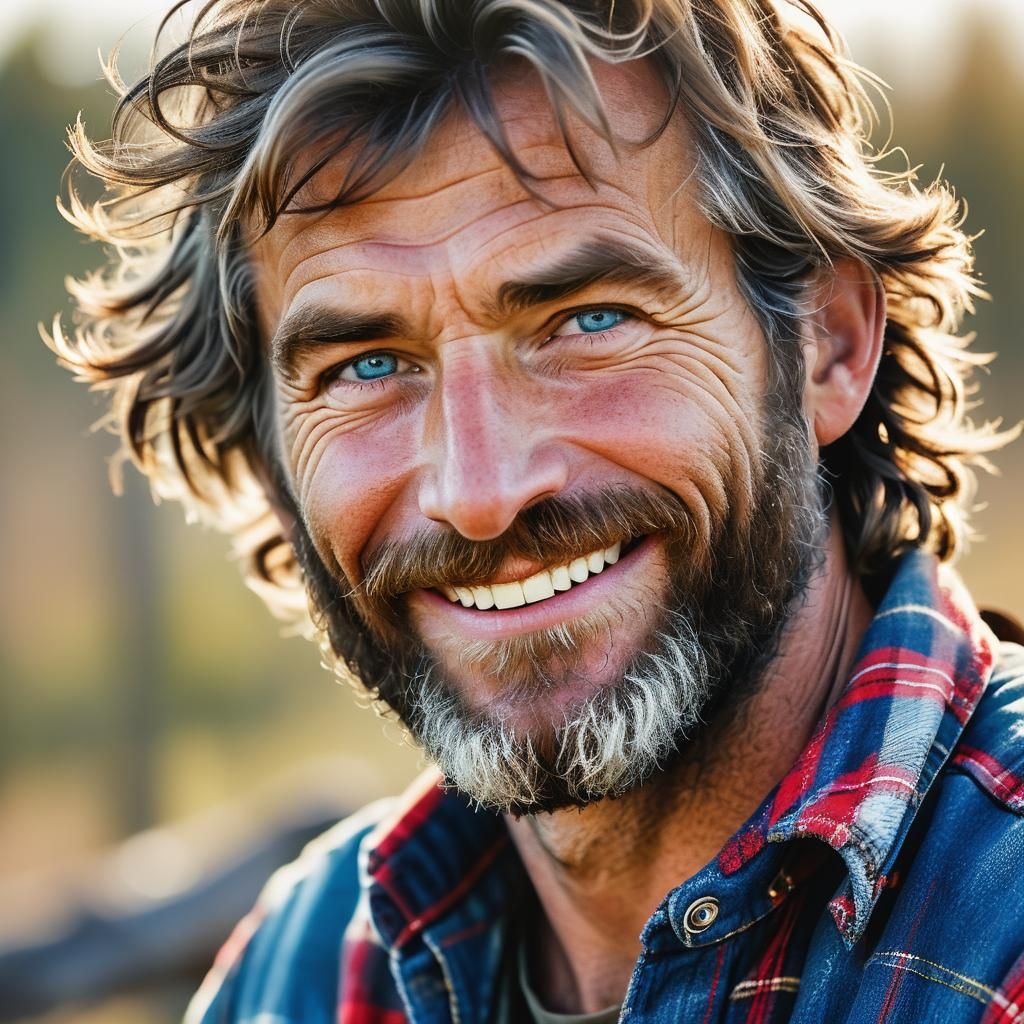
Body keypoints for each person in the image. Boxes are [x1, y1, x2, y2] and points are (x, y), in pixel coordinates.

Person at [49, 1, 1024, 1021]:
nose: (478, 492)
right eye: (367, 365)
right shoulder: (301, 972)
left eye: (586, 319)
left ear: (827, 343)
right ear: (272, 459)